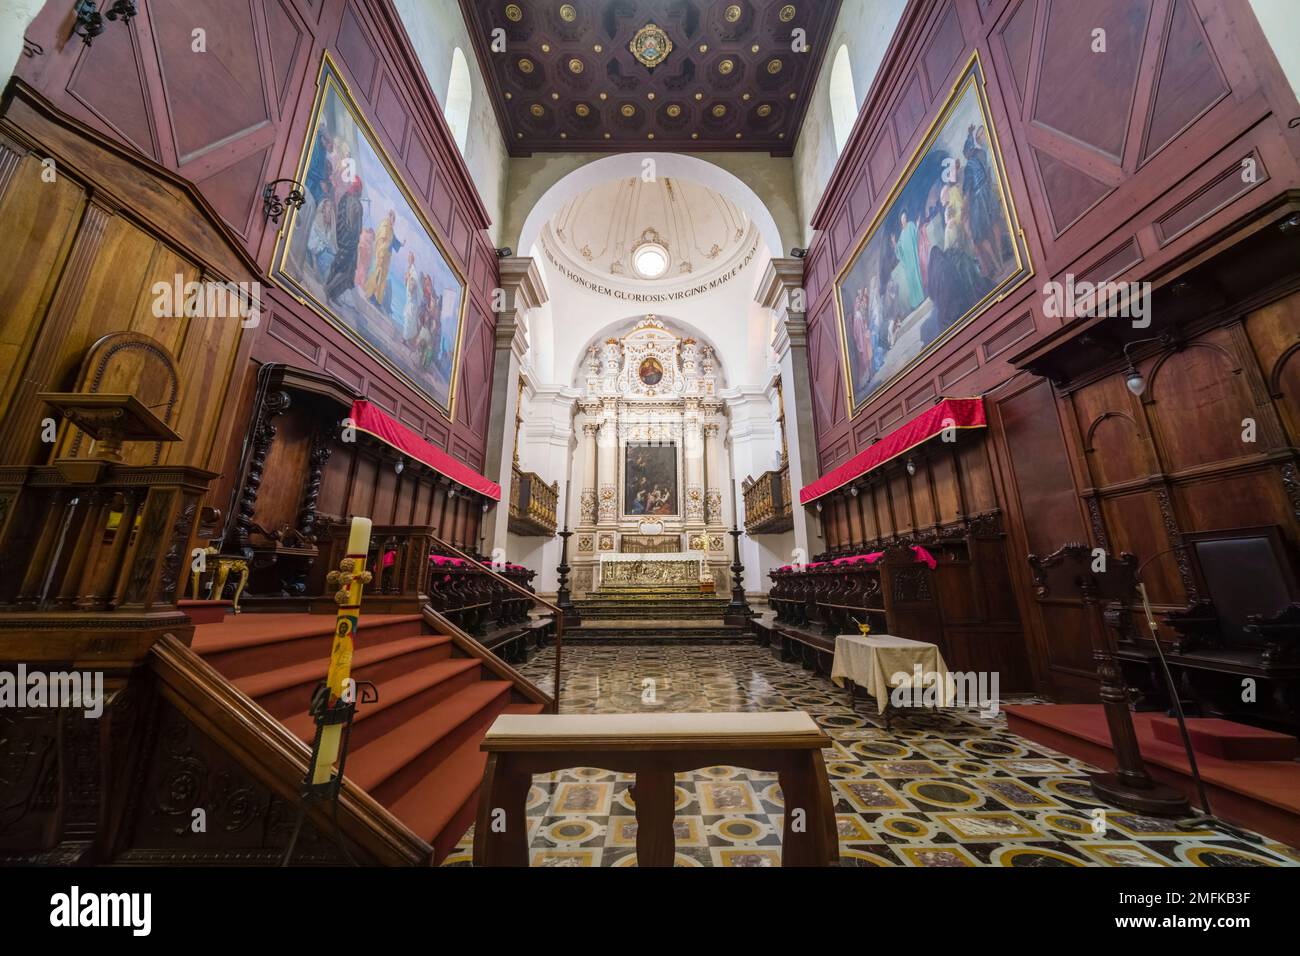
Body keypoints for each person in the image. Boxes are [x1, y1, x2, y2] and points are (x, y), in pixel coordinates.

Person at [325, 177, 363, 304]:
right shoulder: (355, 203)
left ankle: (332, 293)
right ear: (358, 190)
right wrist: (354, 239)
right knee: (345, 270)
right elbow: (353, 226)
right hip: (350, 243)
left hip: (342, 239)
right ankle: (329, 290)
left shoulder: (345, 197)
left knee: (339, 266)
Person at [363, 209, 403, 313]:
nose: (393, 222)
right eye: (393, 219)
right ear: (390, 217)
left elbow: (393, 240)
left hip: (386, 257)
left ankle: (377, 299)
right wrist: (381, 252)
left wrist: (400, 244)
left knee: (382, 278)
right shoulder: (385, 226)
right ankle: (370, 293)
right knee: (377, 275)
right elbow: (381, 239)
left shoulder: (390, 229)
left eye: (394, 220)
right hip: (381, 255)